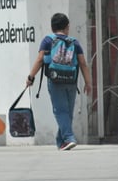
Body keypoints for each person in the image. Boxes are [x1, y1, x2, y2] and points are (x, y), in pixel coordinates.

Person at [26, 13, 92, 150]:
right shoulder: (74, 42)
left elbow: (39, 60)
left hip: (55, 80)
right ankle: (61, 142)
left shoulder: (47, 40)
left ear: (52, 27)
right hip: (71, 81)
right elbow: (83, 63)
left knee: (60, 111)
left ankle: (69, 138)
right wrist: (88, 82)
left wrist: (31, 77)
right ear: (67, 27)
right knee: (67, 112)